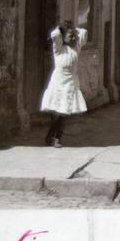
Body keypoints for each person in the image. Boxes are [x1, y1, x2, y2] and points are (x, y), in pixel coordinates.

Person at [41, 20, 88, 148]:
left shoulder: (76, 47)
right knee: (55, 112)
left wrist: (73, 29)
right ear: (63, 37)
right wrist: (61, 28)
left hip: (70, 83)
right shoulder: (58, 48)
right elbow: (55, 35)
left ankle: (57, 138)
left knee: (64, 112)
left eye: (73, 36)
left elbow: (84, 32)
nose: (73, 37)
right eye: (70, 35)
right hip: (57, 83)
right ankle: (50, 136)